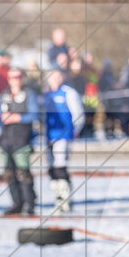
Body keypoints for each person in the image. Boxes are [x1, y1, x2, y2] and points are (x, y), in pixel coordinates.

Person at [0, 68, 40, 215]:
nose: (14, 80)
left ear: (22, 78)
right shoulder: (5, 95)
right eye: (11, 77)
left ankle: (29, 204)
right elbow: (0, 117)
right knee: (9, 173)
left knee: (23, 172)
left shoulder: (29, 94)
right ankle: (17, 203)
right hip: (6, 139)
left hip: (22, 139)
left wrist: (17, 117)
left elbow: (35, 115)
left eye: (17, 77)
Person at [42, 69, 85, 213]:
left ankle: (66, 199)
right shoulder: (46, 94)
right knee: (51, 168)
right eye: (52, 76)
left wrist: (75, 131)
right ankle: (58, 196)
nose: (55, 79)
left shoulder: (69, 93)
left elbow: (78, 114)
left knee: (60, 166)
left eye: (57, 76)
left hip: (64, 135)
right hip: (49, 135)